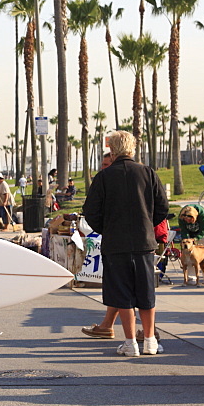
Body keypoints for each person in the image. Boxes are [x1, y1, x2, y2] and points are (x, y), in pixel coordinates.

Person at [83, 130, 169, 357]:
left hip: (115, 243)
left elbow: (91, 212)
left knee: (123, 294)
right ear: (132, 148)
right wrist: (147, 223)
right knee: (146, 292)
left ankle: (130, 342)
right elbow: (163, 207)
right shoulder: (147, 173)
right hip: (143, 241)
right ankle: (150, 340)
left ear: (112, 150)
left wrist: (107, 228)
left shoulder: (103, 177)